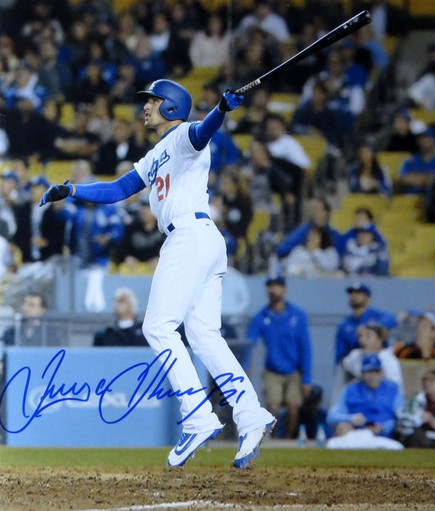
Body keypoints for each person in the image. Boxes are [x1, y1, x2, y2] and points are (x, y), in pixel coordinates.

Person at [39, 79, 275, 469]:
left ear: (171, 107)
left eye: (151, 101)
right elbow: (117, 189)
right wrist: (73, 191)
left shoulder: (183, 134)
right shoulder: (155, 154)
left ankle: (197, 416)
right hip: (201, 239)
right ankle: (250, 415)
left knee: (158, 327)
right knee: (202, 334)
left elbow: (202, 133)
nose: (145, 106)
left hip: (189, 235)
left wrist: (221, 111)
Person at [246, 276, 312, 441]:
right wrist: (243, 369)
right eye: (270, 286)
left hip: (293, 369)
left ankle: (288, 439)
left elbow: (305, 348)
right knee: (273, 407)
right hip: (272, 370)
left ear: (284, 290)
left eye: (277, 286)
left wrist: (307, 379)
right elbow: (248, 344)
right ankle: (274, 440)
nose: (273, 290)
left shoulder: (298, 315)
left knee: (293, 407)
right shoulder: (261, 316)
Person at [327, 353, 404, 439]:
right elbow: (332, 416)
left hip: (384, 437)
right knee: (342, 427)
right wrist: (351, 418)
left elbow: (401, 415)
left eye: (376, 372)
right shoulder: (350, 389)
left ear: (381, 372)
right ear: (362, 373)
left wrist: (384, 427)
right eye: (369, 372)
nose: (372, 376)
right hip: (356, 435)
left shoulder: (393, 389)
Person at [334, 282, 397, 364]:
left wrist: (368, 328)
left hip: (379, 360)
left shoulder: (376, 315)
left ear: (368, 298)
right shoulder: (345, 324)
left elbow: (392, 320)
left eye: (358, 293)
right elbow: (340, 354)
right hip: (355, 363)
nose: (353, 296)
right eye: (351, 293)